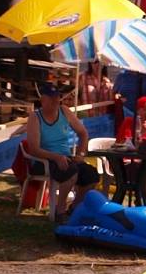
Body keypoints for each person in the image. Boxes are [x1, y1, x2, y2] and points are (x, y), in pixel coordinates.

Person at [25, 82, 100, 220]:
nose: (56, 101)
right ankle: (59, 211)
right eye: (51, 98)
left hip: (66, 157)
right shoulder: (35, 117)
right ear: (42, 100)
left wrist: (81, 155)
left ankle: (74, 208)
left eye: (57, 97)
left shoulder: (64, 111)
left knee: (92, 175)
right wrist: (55, 157)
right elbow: (34, 149)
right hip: (44, 160)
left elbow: (83, 133)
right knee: (71, 172)